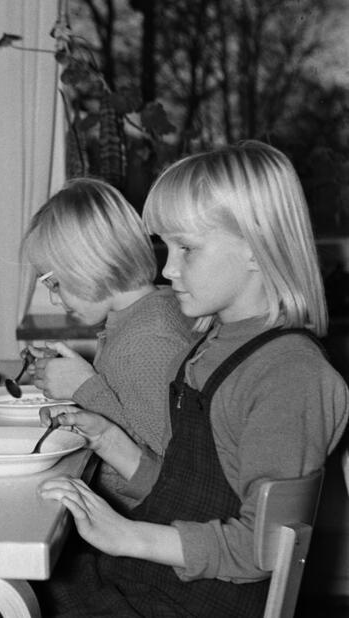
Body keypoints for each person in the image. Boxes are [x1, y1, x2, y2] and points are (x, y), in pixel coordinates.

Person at [37, 141, 349, 617]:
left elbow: (260, 548)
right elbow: (193, 495)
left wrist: (127, 536)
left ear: (255, 245)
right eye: (166, 246)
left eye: (187, 248)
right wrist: (111, 440)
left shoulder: (288, 373)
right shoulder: (214, 345)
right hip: (154, 586)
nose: (167, 268)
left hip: (196, 603)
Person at [22, 177, 195, 511]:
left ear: (88, 264)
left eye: (54, 283)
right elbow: (125, 397)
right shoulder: (143, 315)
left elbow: (159, 471)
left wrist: (85, 388)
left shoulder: (152, 339)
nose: (55, 300)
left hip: (131, 520)